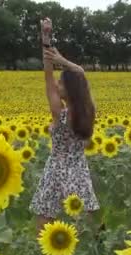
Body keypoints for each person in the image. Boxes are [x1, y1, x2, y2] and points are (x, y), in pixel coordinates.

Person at [30, 18, 100, 232]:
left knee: (44, 225)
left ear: (68, 89)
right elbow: (82, 75)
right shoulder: (89, 112)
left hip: (56, 172)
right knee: (85, 227)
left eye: (62, 83)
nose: (57, 85)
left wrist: (46, 41)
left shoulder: (60, 114)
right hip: (79, 172)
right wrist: (63, 60)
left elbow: (47, 76)